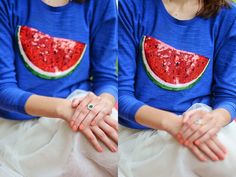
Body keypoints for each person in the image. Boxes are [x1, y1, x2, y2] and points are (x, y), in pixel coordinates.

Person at [0, 0, 118, 176]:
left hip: (82, 110)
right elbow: (3, 89)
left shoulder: (100, 3)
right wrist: (65, 109)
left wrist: (104, 103)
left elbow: (106, 78)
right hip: (18, 127)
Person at [118, 0, 236, 176]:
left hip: (201, 126)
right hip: (138, 133)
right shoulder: (131, 6)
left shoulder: (228, 16)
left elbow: (228, 96)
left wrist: (217, 118)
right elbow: (121, 94)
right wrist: (173, 124)